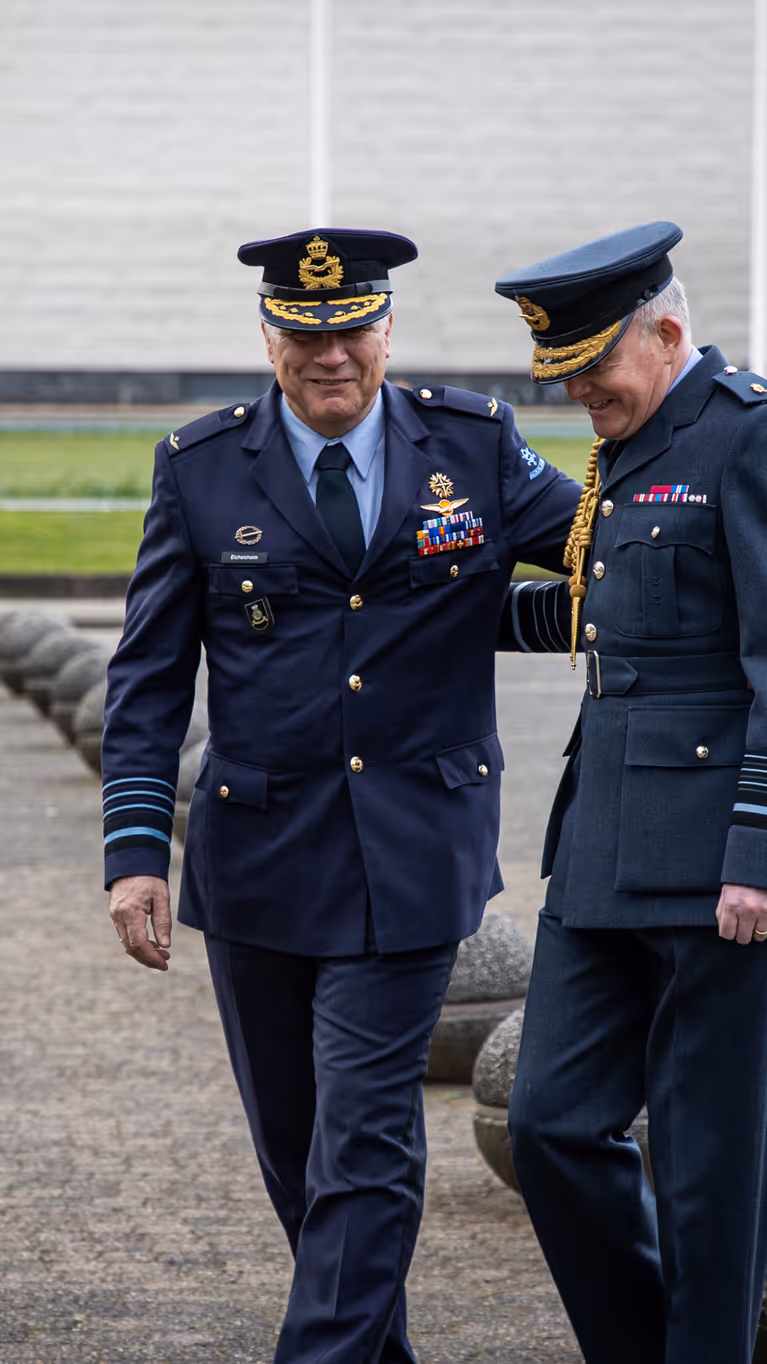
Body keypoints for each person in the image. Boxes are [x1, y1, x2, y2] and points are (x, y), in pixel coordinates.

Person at [102, 227, 580, 1364]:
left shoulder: (471, 441)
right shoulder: (201, 464)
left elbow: (600, 553)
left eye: (351, 332)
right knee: (297, 1152)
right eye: (304, 335)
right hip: (260, 857)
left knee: (362, 1142)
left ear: (385, 329)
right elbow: (149, 673)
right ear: (268, 337)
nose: (331, 357)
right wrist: (132, 852)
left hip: (416, 847)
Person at [495, 221, 767, 1364]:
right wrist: (435, 612)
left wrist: (756, 847)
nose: (577, 399)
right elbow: (612, 616)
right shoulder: (631, 442)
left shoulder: (744, 439)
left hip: (714, 866)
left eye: (590, 369)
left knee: (706, 1174)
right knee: (549, 1122)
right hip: (599, 843)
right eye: (558, 378)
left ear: (662, 332)